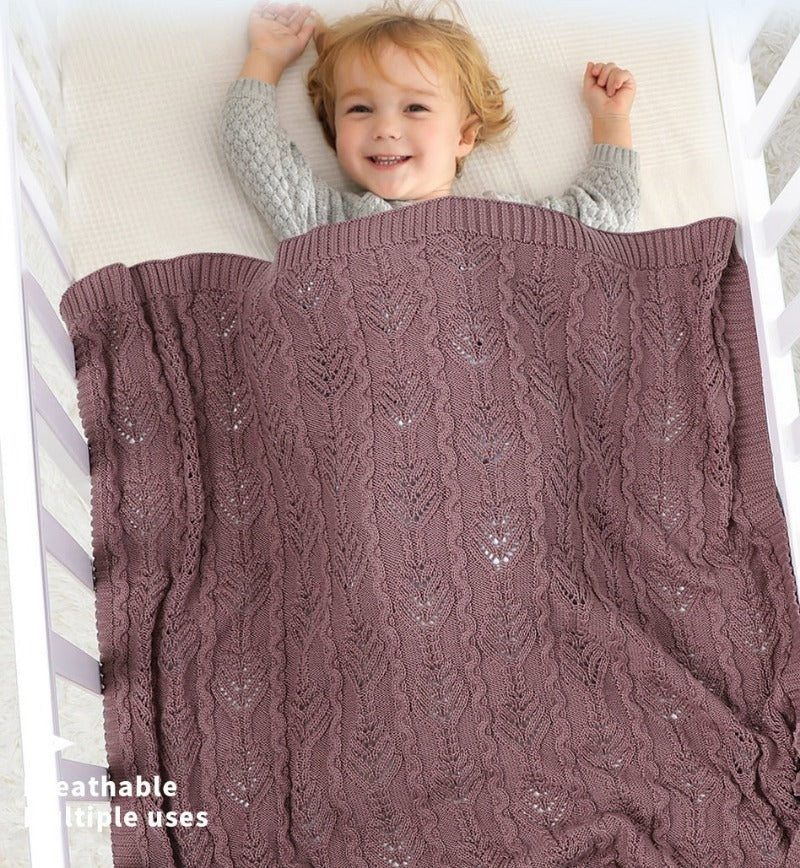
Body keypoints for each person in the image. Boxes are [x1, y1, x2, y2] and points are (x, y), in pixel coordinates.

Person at [221, 0, 639, 242]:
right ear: (334, 133)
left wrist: (610, 119)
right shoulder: (326, 222)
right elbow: (253, 145)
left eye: (415, 108)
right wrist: (266, 58)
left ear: (465, 135)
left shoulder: (505, 222)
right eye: (360, 109)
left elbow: (606, 219)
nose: (385, 129)